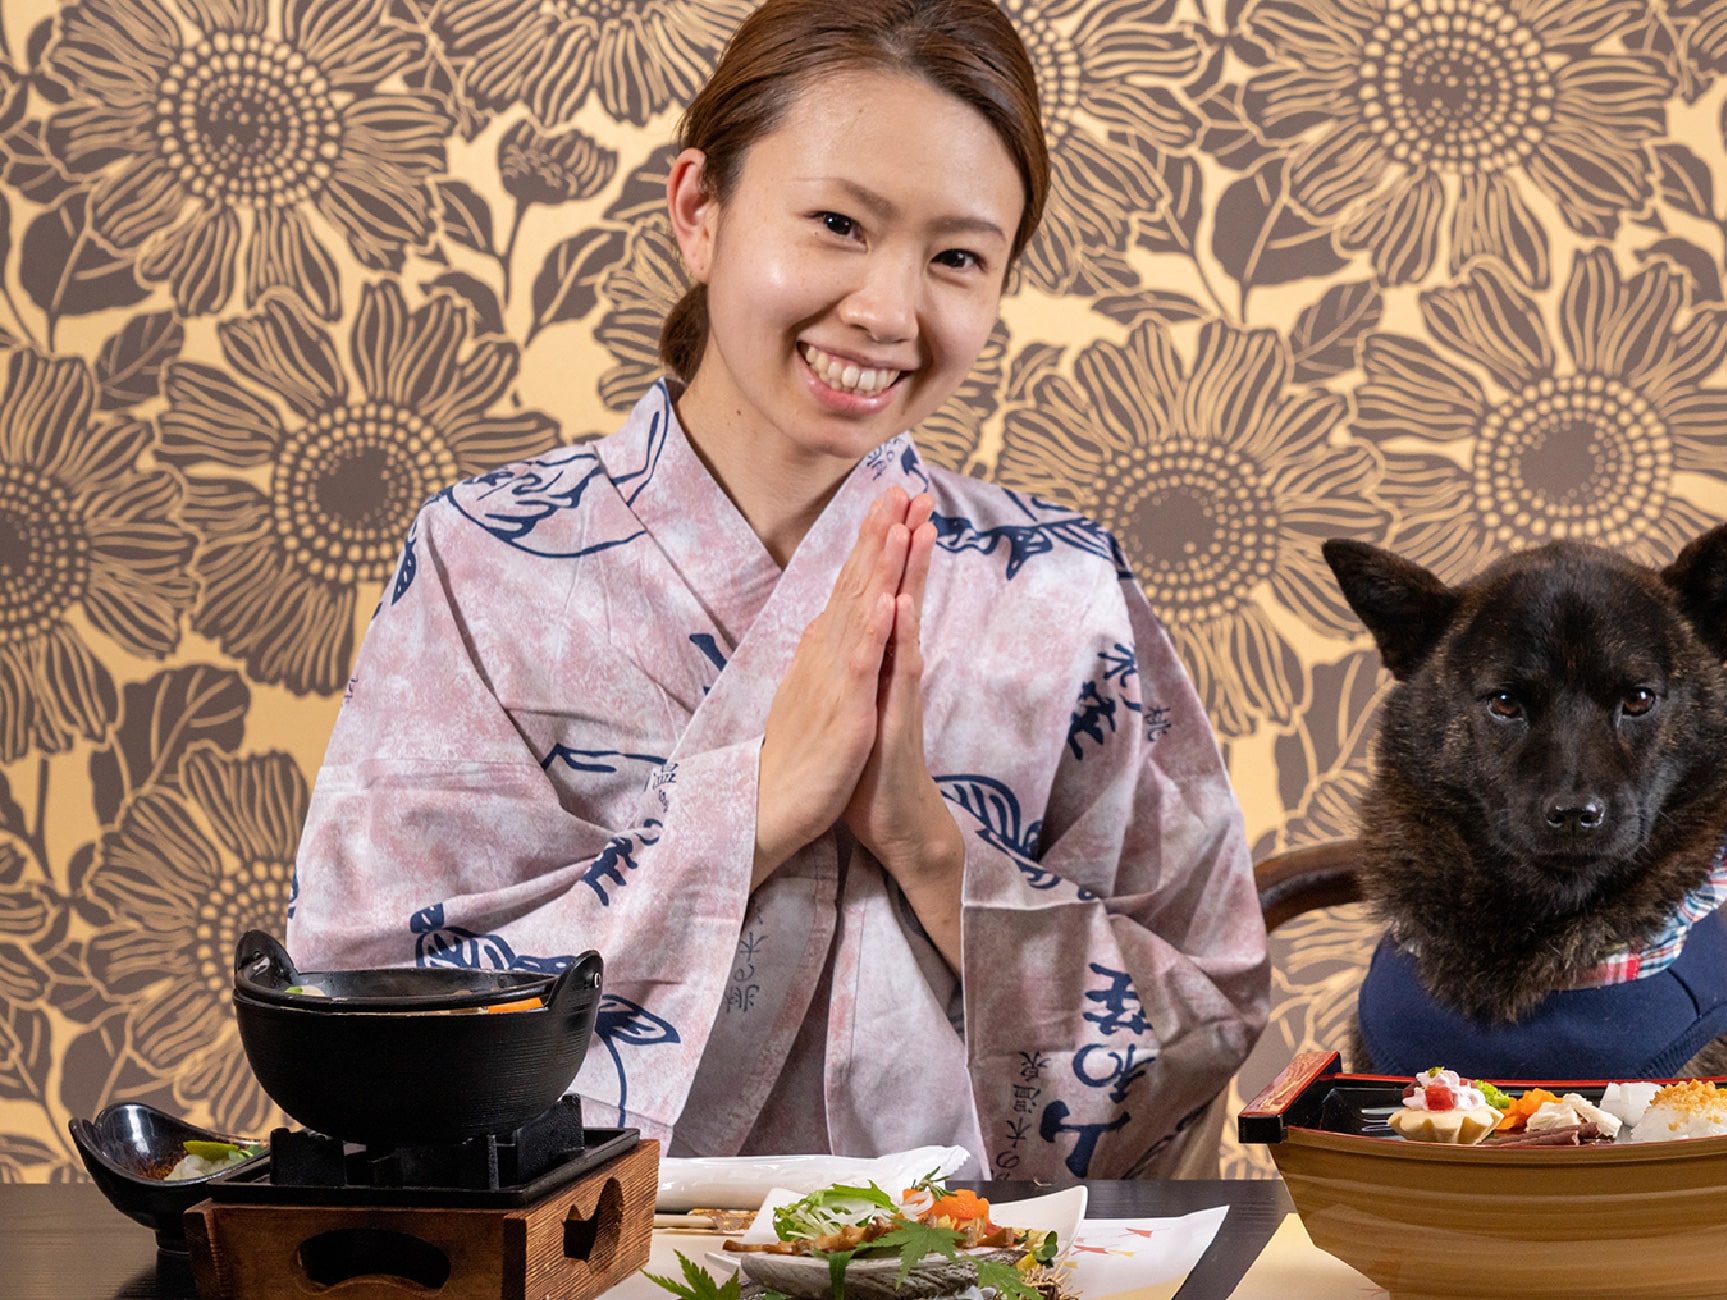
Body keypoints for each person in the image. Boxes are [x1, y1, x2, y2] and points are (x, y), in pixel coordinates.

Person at [288, 0, 1269, 1180]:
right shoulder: (486, 558)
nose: (888, 310)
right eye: (838, 224)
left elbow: (1203, 1018)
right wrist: (742, 817)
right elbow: (363, 1008)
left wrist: (933, 849)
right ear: (699, 209)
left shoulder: (1059, 586)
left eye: (956, 256)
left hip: (968, 1267)